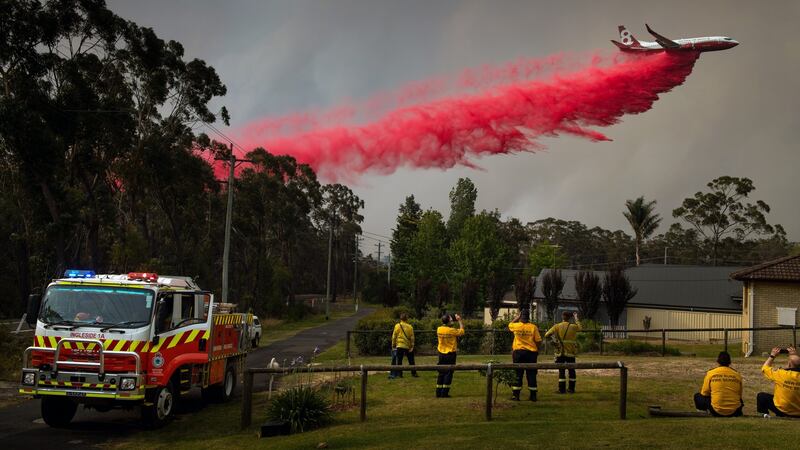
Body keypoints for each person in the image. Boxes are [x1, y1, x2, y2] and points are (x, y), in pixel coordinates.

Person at [693, 351, 743, 416]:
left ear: (718, 361)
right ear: (730, 362)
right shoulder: (737, 375)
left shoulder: (711, 373)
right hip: (734, 411)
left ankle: (703, 413)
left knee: (697, 396)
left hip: (716, 410)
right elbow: (739, 394)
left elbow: (704, 393)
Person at [508, 308, 542, 401]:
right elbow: (538, 341)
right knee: (531, 374)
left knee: (517, 373)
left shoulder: (516, 326)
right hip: (531, 353)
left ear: (520, 317)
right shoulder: (533, 327)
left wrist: (516, 317)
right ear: (529, 317)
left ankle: (516, 395)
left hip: (518, 352)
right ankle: (533, 396)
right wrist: (537, 349)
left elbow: (509, 324)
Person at [757, 346, 800, 418]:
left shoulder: (781, 373)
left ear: (789, 364)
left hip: (782, 410)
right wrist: (794, 355)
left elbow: (765, 368)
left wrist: (772, 356)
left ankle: (765, 415)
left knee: (761, 396)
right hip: (798, 413)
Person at [545, 311, 582, 394]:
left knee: (561, 371)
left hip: (560, 352)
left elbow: (547, 334)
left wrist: (554, 339)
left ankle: (561, 389)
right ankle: (571, 389)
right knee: (572, 371)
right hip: (571, 352)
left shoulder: (557, 326)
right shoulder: (573, 327)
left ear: (562, 317)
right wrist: (576, 318)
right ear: (570, 317)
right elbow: (580, 327)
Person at [436, 313, 464, 398]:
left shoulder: (439, 329)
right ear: (448, 322)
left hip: (441, 353)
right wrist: (459, 320)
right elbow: (462, 332)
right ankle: (444, 393)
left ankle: (438, 392)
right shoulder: (451, 330)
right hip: (450, 354)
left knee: (441, 372)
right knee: (449, 373)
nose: (452, 321)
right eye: (451, 320)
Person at [389, 313, 417, 379]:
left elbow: (394, 336)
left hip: (399, 345)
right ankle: (413, 373)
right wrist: (412, 346)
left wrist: (393, 345)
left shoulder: (397, 326)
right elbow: (412, 337)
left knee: (399, 360)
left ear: (400, 319)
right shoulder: (410, 327)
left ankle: (399, 374)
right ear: (406, 319)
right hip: (407, 345)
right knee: (411, 360)